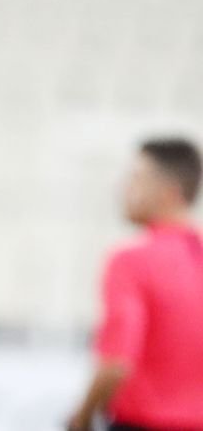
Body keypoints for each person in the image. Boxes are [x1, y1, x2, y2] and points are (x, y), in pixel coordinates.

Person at [68, 138, 203, 431]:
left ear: (170, 193)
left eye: (136, 178)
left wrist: (82, 417)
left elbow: (117, 361)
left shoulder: (131, 261)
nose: (124, 189)